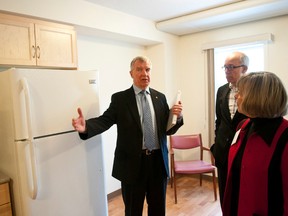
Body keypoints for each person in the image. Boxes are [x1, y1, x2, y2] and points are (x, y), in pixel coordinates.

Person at [72, 56, 184, 216]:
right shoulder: (120, 99)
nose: (144, 73)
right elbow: (105, 120)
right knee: (133, 211)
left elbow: (167, 130)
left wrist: (177, 117)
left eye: (147, 69)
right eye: (139, 69)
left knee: (158, 210)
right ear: (131, 73)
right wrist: (86, 127)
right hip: (132, 166)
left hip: (158, 164)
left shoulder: (160, 97)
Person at [222, 72, 288, 215]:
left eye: (240, 92)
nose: (236, 96)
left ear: (257, 97)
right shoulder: (244, 125)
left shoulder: (285, 136)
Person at [210, 51, 249, 205]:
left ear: (244, 69)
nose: (227, 71)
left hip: (244, 151)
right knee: (225, 196)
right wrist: (216, 146)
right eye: (225, 67)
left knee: (242, 196)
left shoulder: (252, 91)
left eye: (231, 67)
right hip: (223, 152)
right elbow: (219, 121)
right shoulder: (222, 90)